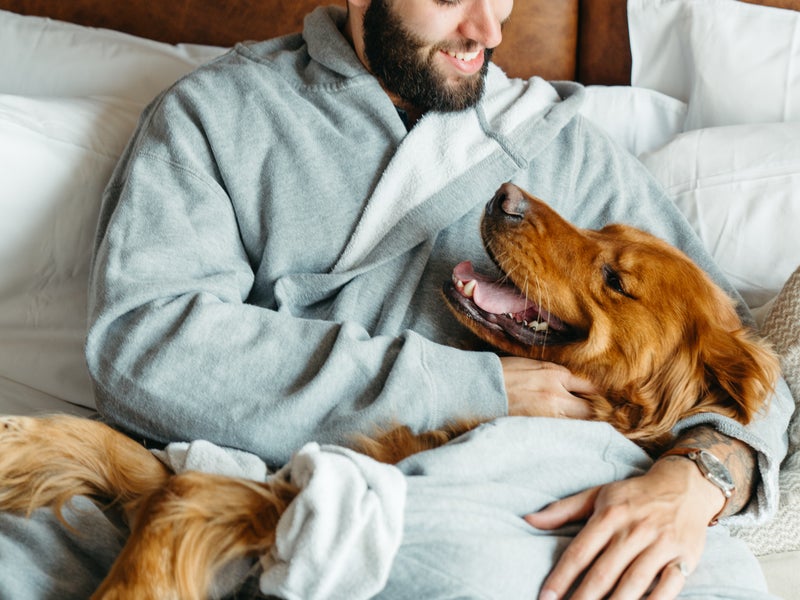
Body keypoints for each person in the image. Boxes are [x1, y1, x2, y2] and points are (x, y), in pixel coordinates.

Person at [0, 1, 791, 599]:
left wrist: (699, 476)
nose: (486, 28)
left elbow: (738, 367)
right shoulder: (220, 115)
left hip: (515, 515)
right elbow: (148, 346)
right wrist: (480, 389)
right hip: (248, 493)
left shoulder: (569, 150)